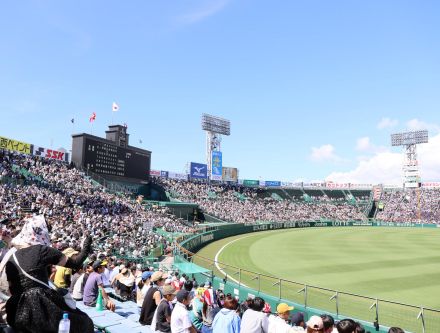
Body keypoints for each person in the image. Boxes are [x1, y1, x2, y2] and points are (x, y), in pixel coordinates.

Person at [5, 215, 94, 332]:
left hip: (15, 315)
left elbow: (11, 289)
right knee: (85, 322)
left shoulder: (11, 257)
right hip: (43, 313)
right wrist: (86, 246)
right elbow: (76, 263)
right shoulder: (41, 250)